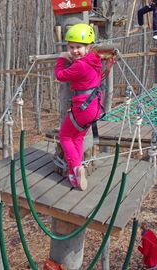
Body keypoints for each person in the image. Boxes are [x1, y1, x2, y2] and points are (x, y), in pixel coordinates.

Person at [55, 23, 114, 191]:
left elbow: (60, 75)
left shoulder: (79, 65)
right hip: (94, 106)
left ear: (88, 47)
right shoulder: (94, 59)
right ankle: (76, 172)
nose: (74, 51)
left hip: (83, 107)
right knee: (78, 137)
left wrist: (61, 58)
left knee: (65, 136)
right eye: (71, 47)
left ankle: (75, 169)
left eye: (79, 47)